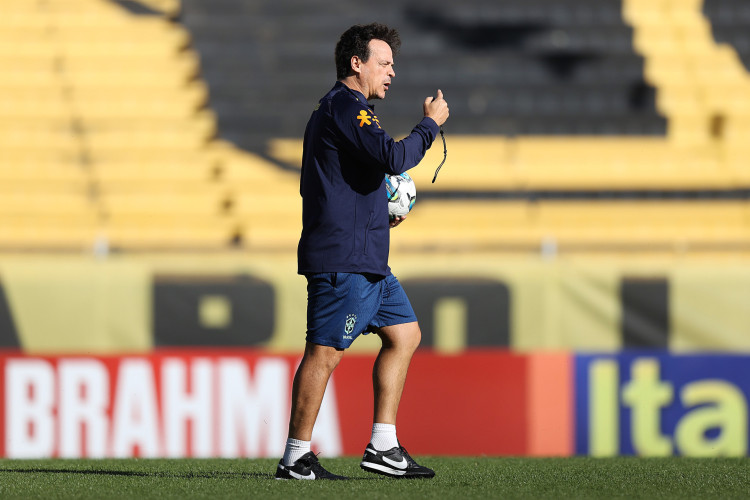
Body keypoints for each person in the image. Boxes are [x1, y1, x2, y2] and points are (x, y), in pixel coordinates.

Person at [274, 22, 449, 481]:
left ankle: (383, 445)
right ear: (357, 63)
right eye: (384, 63)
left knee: (405, 335)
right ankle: (295, 456)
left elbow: (351, 179)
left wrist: (379, 211)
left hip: (367, 256)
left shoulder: (346, 111)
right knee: (325, 352)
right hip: (343, 259)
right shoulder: (345, 107)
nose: (392, 72)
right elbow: (392, 158)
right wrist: (430, 126)